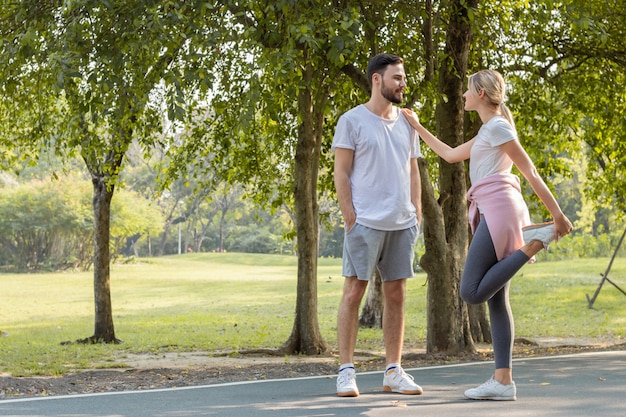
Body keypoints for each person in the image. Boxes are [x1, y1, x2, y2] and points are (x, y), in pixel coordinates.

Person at [401, 69, 573, 401]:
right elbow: (450, 155)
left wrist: (558, 215)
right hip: (492, 208)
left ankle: (539, 239)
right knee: (496, 299)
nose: (462, 96)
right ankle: (503, 381)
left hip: (499, 208)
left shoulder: (498, 127)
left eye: (467, 90)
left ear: (481, 93)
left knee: (471, 292)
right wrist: (417, 126)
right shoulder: (487, 131)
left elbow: (530, 170)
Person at [332, 53, 423, 398]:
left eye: (403, 77)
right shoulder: (352, 121)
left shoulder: (407, 122)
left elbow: (413, 168)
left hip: (402, 223)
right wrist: (349, 215)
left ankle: (393, 371)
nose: (403, 83)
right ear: (376, 79)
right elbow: (341, 171)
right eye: (397, 78)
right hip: (365, 222)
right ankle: (346, 371)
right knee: (353, 293)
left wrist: (416, 211)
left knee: (396, 294)